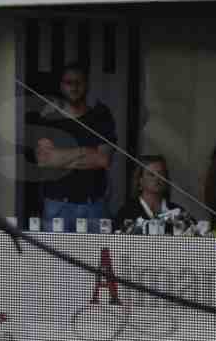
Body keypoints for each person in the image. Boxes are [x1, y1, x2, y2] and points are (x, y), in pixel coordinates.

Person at [27, 63, 116, 228]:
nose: (74, 87)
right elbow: (44, 160)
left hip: (93, 204)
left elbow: (103, 159)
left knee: (94, 254)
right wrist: (86, 152)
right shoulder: (48, 119)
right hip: (57, 204)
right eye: (69, 82)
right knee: (55, 254)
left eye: (79, 82)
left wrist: (60, 157)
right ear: (61, 86)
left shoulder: (100, 117)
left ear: (87, 84)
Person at [115, 156, 177, 226]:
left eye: (161, 174)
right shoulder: (126, 213)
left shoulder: (178, 212)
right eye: (151, 174)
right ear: (140, 180)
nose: (157, 178)